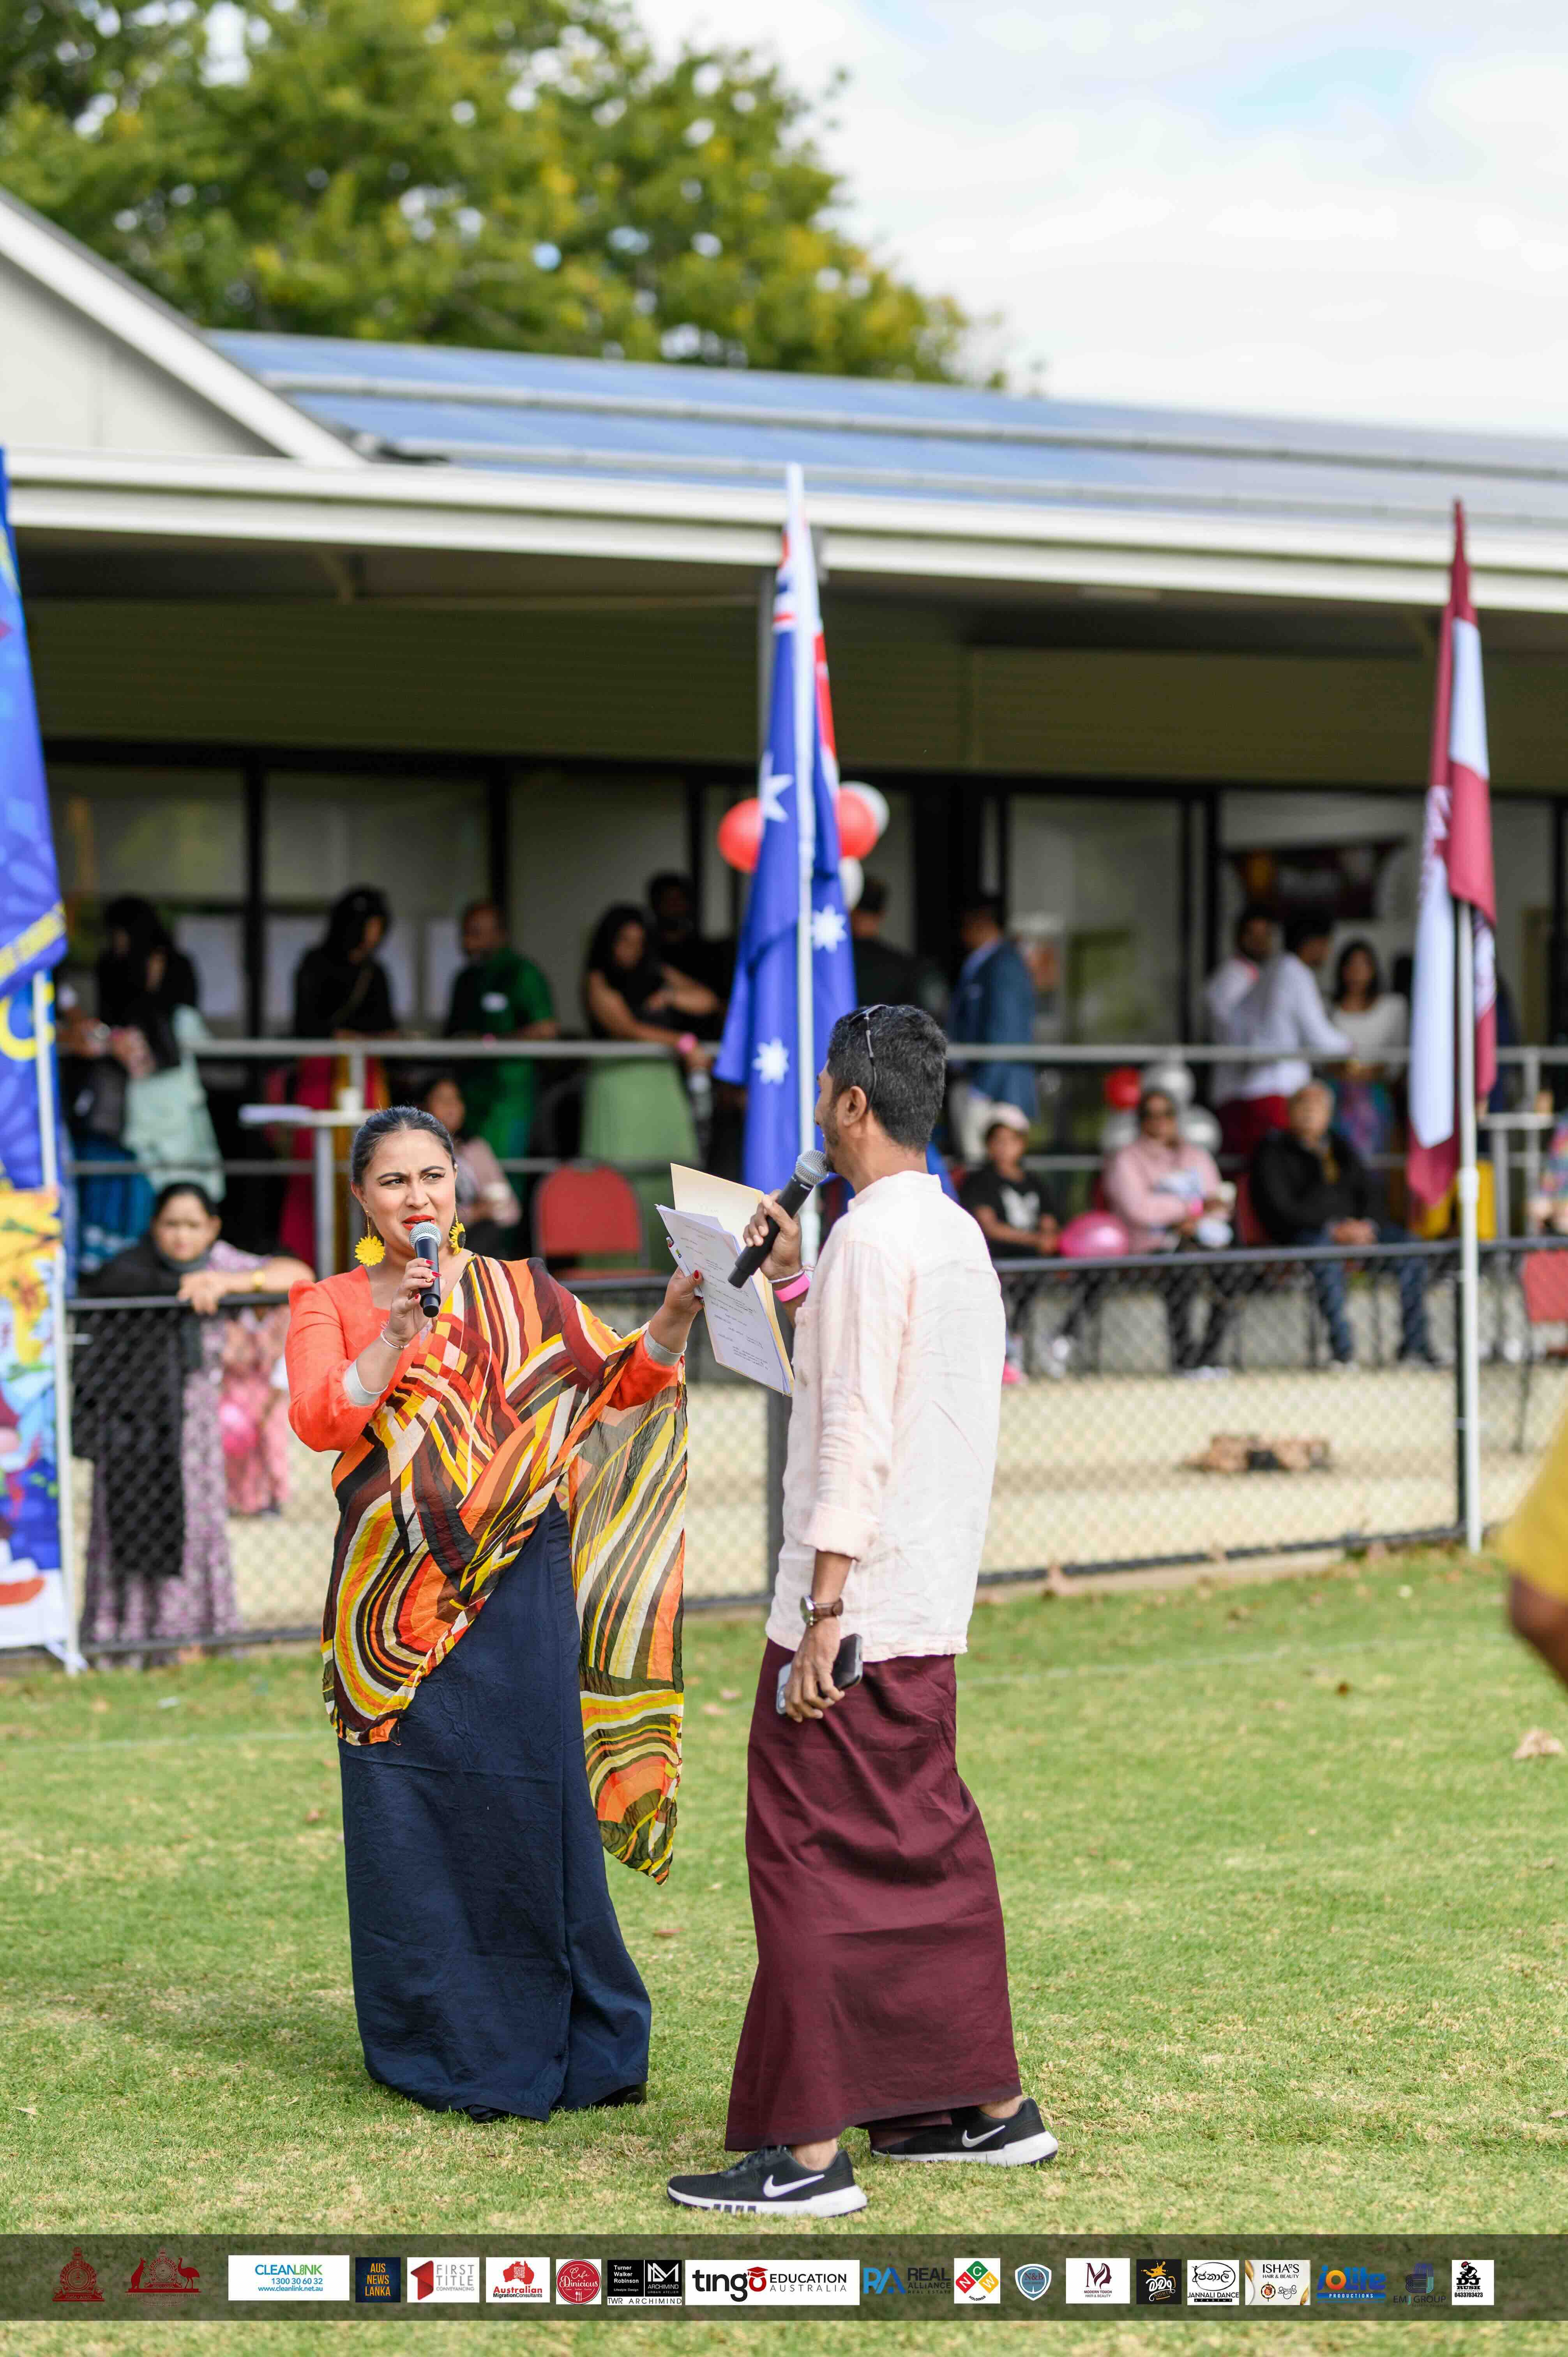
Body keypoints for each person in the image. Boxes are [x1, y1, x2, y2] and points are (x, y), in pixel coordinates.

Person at [666, 1006, 1054, 2219]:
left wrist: (824, 1605)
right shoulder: (944, 1231)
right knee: (921, 1852)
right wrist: (795, 1276)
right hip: (928, 1600)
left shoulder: (871, 1248)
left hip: (850, 1605)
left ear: (846, 1103)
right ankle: (981, 2109)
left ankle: (804, 2151)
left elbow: (850, 1431)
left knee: (802, 1862)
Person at [285, 1105, 701, 2121]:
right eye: (393, 1182)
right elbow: (319, 1419)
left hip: (520, 1583)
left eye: (433, 1176)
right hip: (390, 1611)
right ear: (361, 1200)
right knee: (416, 1820)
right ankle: (443, 2041)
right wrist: (396, 1334)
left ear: (458, 1188)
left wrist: (676, 1319)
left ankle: (588, 2044)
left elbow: (613, 1390)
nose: (417, 1198)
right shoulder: (327, 1301)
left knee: (538, 1796)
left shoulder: (524, 1294)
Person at [76, 1184, 311, 1652]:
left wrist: (230, 1285)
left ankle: (195, 1635)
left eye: (192, 1225)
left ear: (212, 1229)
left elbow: (299, 1275)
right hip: (133, 1423)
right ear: (154, 1228)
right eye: (171, 1225)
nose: (181, 1237)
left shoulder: (220, 1264)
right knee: (128, 1522)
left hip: (196, 1425)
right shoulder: (130, 1271)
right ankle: (126, 1637)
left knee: (196, 1524)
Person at [1248, 1082, 1434, 1366]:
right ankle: (1343, 1351)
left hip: (1356, 1234)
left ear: (1329, 1114)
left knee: (1410, 1247)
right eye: (1303, 1106)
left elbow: (1370, 1193)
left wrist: (1367, 1226)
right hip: (1307, 1237)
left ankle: (1415, 1347)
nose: (1311, 1113)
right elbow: (1280, 1209)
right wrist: (1332, 1229)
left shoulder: (1341, 1147)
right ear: (1290, 1112)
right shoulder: (1273, 1151)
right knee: (1324, 1254)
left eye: (1318, 1106)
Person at [582, 903, 719, 1254]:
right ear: (609, 943)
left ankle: (668, 1260)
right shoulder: (598, 980)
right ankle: (618, 1261)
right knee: (623, 1173)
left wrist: (671, 996)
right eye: (624, 941)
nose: (632, 949)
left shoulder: (657, 973)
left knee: (670, 1171)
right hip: (619, 1085)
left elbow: (707, 1000)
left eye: (639, 941)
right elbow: (625, 1027)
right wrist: (682, 1042)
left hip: (661, 1086)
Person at [1104, 1087, 1234, 1375]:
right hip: (1151, 1245)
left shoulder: (1196, 1155)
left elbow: (1221, 1205)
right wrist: (1192, 1209)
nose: (1159, 1121)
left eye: (1167, 1114)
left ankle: (1208, 1357)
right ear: (1141, 1120)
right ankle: (1185, 1359)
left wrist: (1191, 1217)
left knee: (1232, 1274)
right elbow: (1138, 1208)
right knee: (1182, 1271)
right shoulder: (1126, 1158)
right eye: (1151, 1115)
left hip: (1201, 1238)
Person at [1224, 915, 1351, 1161]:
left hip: (1252, 1086)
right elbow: (1319, 1037)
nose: (1327, 953)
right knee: (1283, 1169)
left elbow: (1237, 1023)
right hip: (1280, 1092)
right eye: (1327, 945)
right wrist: (1351, 1048)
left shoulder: (1272, 969)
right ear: (1313, 943)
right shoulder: (1295, 972)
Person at [443, 899, 558, 1164]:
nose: (466, 940)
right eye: (465, 931)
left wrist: (490, 1042)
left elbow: (546, 1029)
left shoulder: (521, 973)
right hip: (468, 1091)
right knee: (463, 1167)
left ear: (499, 934)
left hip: (508, 1094)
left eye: (475, 932)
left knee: (504, 1169)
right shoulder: (465, 979)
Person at [959, 1106, 1059, 1383]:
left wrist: (1047, 1237)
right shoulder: (979, 1181)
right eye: (998, 1140)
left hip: (1035, 1261)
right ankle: (1007, 1357)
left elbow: (1050, 1218)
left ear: (1022, 1143)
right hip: (997, 1259)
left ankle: (1053, 1346)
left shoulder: (1035, 1181)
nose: (1005, 1148)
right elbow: (989, 1226)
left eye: (1011, 1140)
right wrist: (1036, 1240)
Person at [946, 893, 1038, 1160]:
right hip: (977, 1083)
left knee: (988, 1170)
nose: (964, 933)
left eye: (967, 924)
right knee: (976, 1168)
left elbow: (1005, 1030)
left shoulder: (1004, 964)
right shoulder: (985, 962)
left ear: (983, 923)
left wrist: (982, 1090)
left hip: (996, 1091)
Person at [422, 1074, 521, 1256]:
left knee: (489, 1232)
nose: (451, 1107)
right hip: (436, 1242)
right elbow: (426, 1218)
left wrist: (489, 1209)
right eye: (442, 1100)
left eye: (456, 1099)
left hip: (479, 1237)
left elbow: (510, 1211)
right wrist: (473, 1214)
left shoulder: (476, 1149)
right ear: (423, 1108)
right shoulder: (416, 1152)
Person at [1330, 938, 1407, 1162]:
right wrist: (1346, 1073)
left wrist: (1366, 1074)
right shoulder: (1329, 1008)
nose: (1357, 973)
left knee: (1375, 1157)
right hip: (1338, 1091)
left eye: (1363, 966)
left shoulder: (1393, 1007)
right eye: (1351, 966)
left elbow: (1397, 1060)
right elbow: (1319, 1057)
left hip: (1377, 1092)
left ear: (1373, 970)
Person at [1206, 905, 1274, 1156]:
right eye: (1253, 935)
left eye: (1265, 935)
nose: (1260, 942)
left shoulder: (1262, 974)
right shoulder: (1231, 978)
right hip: (1236, 1091)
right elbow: (1235, 1036)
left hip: (1254, 1091)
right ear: (1239, 938)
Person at [647, 871, 733, 1005]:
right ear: (655, 905)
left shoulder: (710, 954)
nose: (673, 907)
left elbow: (721, 1003)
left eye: (678, 900)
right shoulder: (644, 951)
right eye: (667, 900)